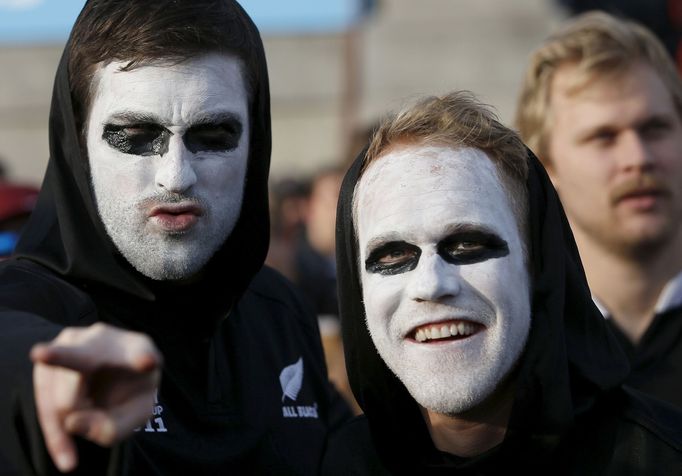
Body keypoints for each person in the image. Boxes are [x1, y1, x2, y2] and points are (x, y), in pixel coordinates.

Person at [0, 1, 350, 475]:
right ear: (78, 144)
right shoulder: (29, 303)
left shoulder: (279, 316)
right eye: (135, 136)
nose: (176, 176)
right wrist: (37, 373)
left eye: (212, 135)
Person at [322, 91, 682, 474]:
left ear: (536, 264)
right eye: (392, 256)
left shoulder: (655, 459)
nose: (430, 285)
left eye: (467, 244)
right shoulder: (340, 463)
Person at [515, 11, 682, 407]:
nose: (637, 158)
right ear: (545, 166)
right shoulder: (516, 349)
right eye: (603, 137)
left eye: (655, 128)